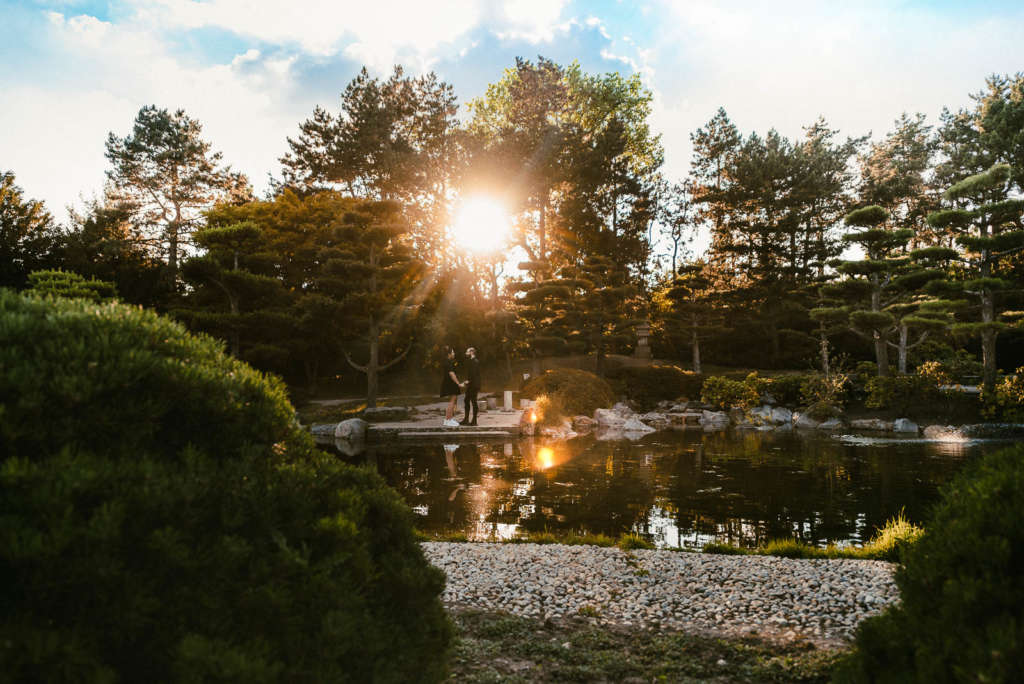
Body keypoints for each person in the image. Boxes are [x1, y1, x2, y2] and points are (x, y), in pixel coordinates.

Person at [439, 346, 463, 427]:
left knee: (452, 401)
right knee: (452, 401)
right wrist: (458, 383)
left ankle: (448, 419)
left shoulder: (448, 361)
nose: (454, 353)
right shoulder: (448, 362)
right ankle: (448, 420)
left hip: (450, 382)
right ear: (449, 354)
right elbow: (451, 374)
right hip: (450, 383)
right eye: (453, 352)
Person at [460, 346, 481, 426]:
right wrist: (467, 382)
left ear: (472, 352)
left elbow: (473, 375)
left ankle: (474, 421)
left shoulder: (475, 361)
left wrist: (465, 383)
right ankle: (466, 419)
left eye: (467, 352)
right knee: (466, 400)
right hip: (471, 385)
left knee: (473, 402)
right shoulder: (472, 361)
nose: (466, 353)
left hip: (474, 385)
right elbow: (471, 375)